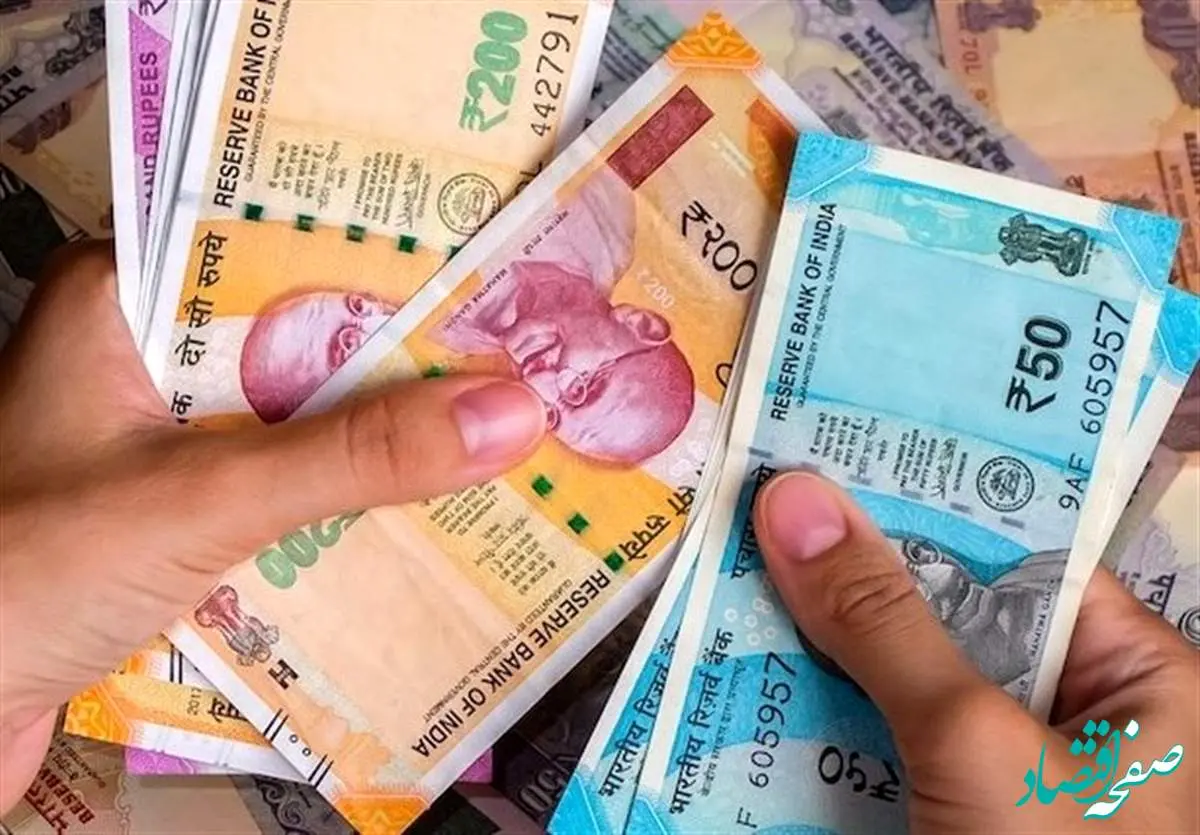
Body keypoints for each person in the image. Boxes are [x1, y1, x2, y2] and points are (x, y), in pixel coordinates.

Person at [0, 245, 1195, 834]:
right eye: (584, 383)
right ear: (635, 320)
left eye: (570, 408)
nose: (545, 381)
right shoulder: (573, 245)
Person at [435, 166, 695, 466]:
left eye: (551, 415)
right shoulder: (606, 214)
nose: (537, 383)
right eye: (583, 389)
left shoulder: (449, 330)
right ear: (639, 324)